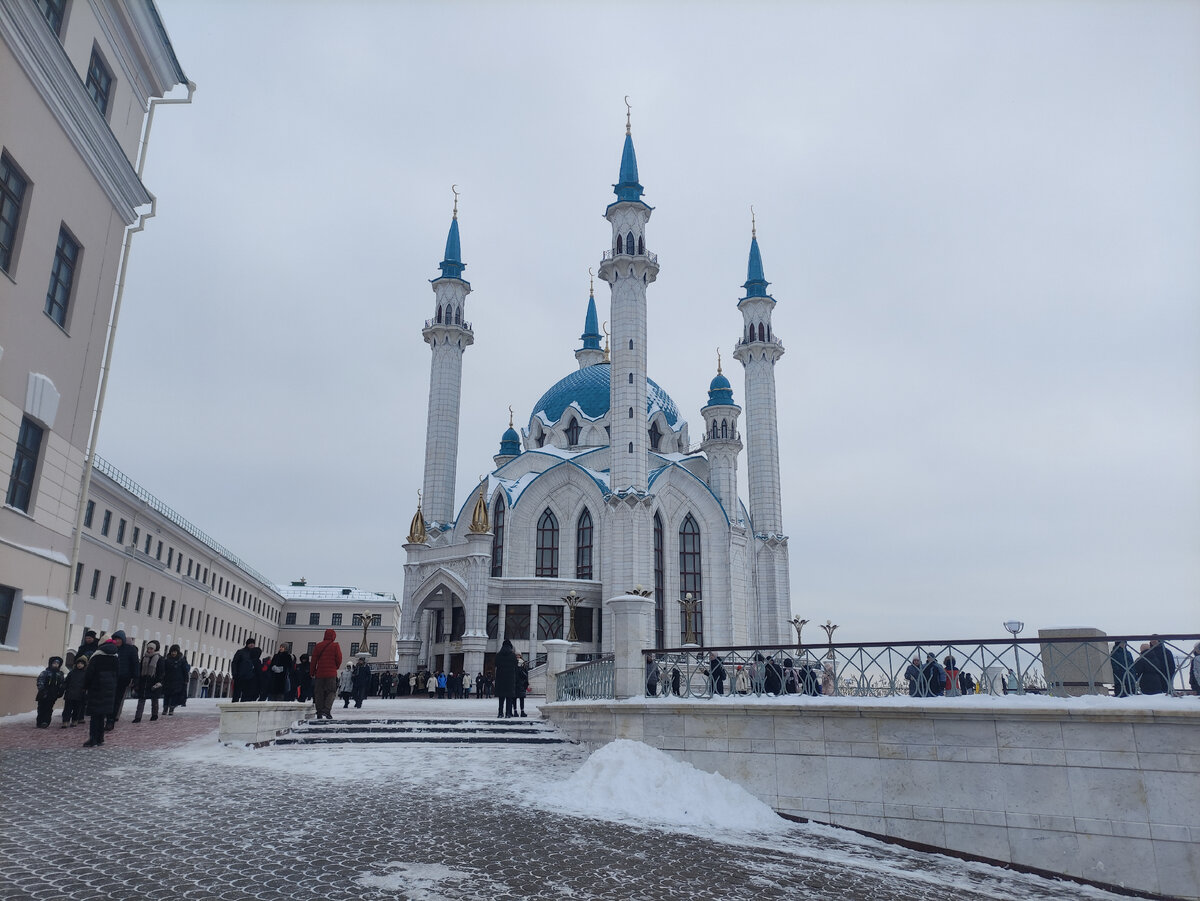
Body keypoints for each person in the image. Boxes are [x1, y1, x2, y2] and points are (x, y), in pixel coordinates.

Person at [83, 638, 119, 747]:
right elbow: (118, 673)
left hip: (96, 687)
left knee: (95, 715)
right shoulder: (115, 657)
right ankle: (100, 738)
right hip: (109, 688)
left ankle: (93, 738)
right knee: (102, 714)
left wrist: (85, 686)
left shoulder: (96, 656)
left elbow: (89, 673)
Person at [108, 630, 138, 729]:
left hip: (123, 678)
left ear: (123, 640)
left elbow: (135, 665)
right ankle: (107, 717)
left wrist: (135, 679)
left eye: (119, 639)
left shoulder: (130, 650)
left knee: (117, 700)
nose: (117, 641)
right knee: (108, 699)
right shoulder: (110, 648)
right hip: (110, 677)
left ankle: (111, 720)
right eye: (115, 639)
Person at [310, 628, 343, 719]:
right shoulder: (335, 646)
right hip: (331, 674)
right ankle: (327, 710)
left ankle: (319, 711)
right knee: (331, 691)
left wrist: (312, 672)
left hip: (319, 673)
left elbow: (313, 661)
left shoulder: (318, 646)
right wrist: (335, 667)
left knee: (319, 692)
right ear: (333, 636)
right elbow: (339, 659)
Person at [133, 640, 165, 722]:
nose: (149, 650)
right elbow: (140, 670)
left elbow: (161, 671)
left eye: (151, 649)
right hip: (144, 681)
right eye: (148, 648)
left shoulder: (159, 659)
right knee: (141, 699)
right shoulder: (144, 657)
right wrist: (137, 681)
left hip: (154, 681)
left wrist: (158, 682)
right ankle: (138, 717)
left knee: (154, 699)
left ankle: (154, 715)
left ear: (155, 649)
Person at [35, 656, 65, 728]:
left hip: (53, 695)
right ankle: (39, 722)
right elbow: (40, 681)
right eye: (54, 663)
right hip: (43, 694)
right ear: (51, 663)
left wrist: (60, 691)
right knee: (41, 708)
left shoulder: (60, 674)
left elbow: (62, 684)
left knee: (49, 709)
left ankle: (46, 722)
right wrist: (42, 690)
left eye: (57, 664)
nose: (55, 665)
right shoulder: (45, 672)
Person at [230, 638, 261, 703]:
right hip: (239, 676)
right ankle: (234, 707)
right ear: (247, 644)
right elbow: (234, 663)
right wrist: (234, 673)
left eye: (253, 643)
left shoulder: (254, 653)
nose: (252, 645)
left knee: (246, 695)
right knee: (236, 694)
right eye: (250, 643)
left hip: (249, 677)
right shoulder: (241, 652)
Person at [161, 645, 189, 715]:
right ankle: (165, 708)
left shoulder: (181, 661)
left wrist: (186, 680)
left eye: (175, 652)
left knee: (174, 695)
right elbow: (163, 670)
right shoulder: (167, 660)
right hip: (167, 680)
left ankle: (171, 709)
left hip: (178, 681)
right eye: (172, 652)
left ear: (177, 652)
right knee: (166, 695)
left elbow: (185, 671)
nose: (173, 653)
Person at [494, 639, 518, 718]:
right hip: (510, 679)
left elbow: (496, 664)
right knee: (509, 697)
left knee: (501, 697)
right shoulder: (513, 656)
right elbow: (516, 666)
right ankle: (508, 713)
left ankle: (500, 713)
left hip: (500, 679)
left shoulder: (498, 655)